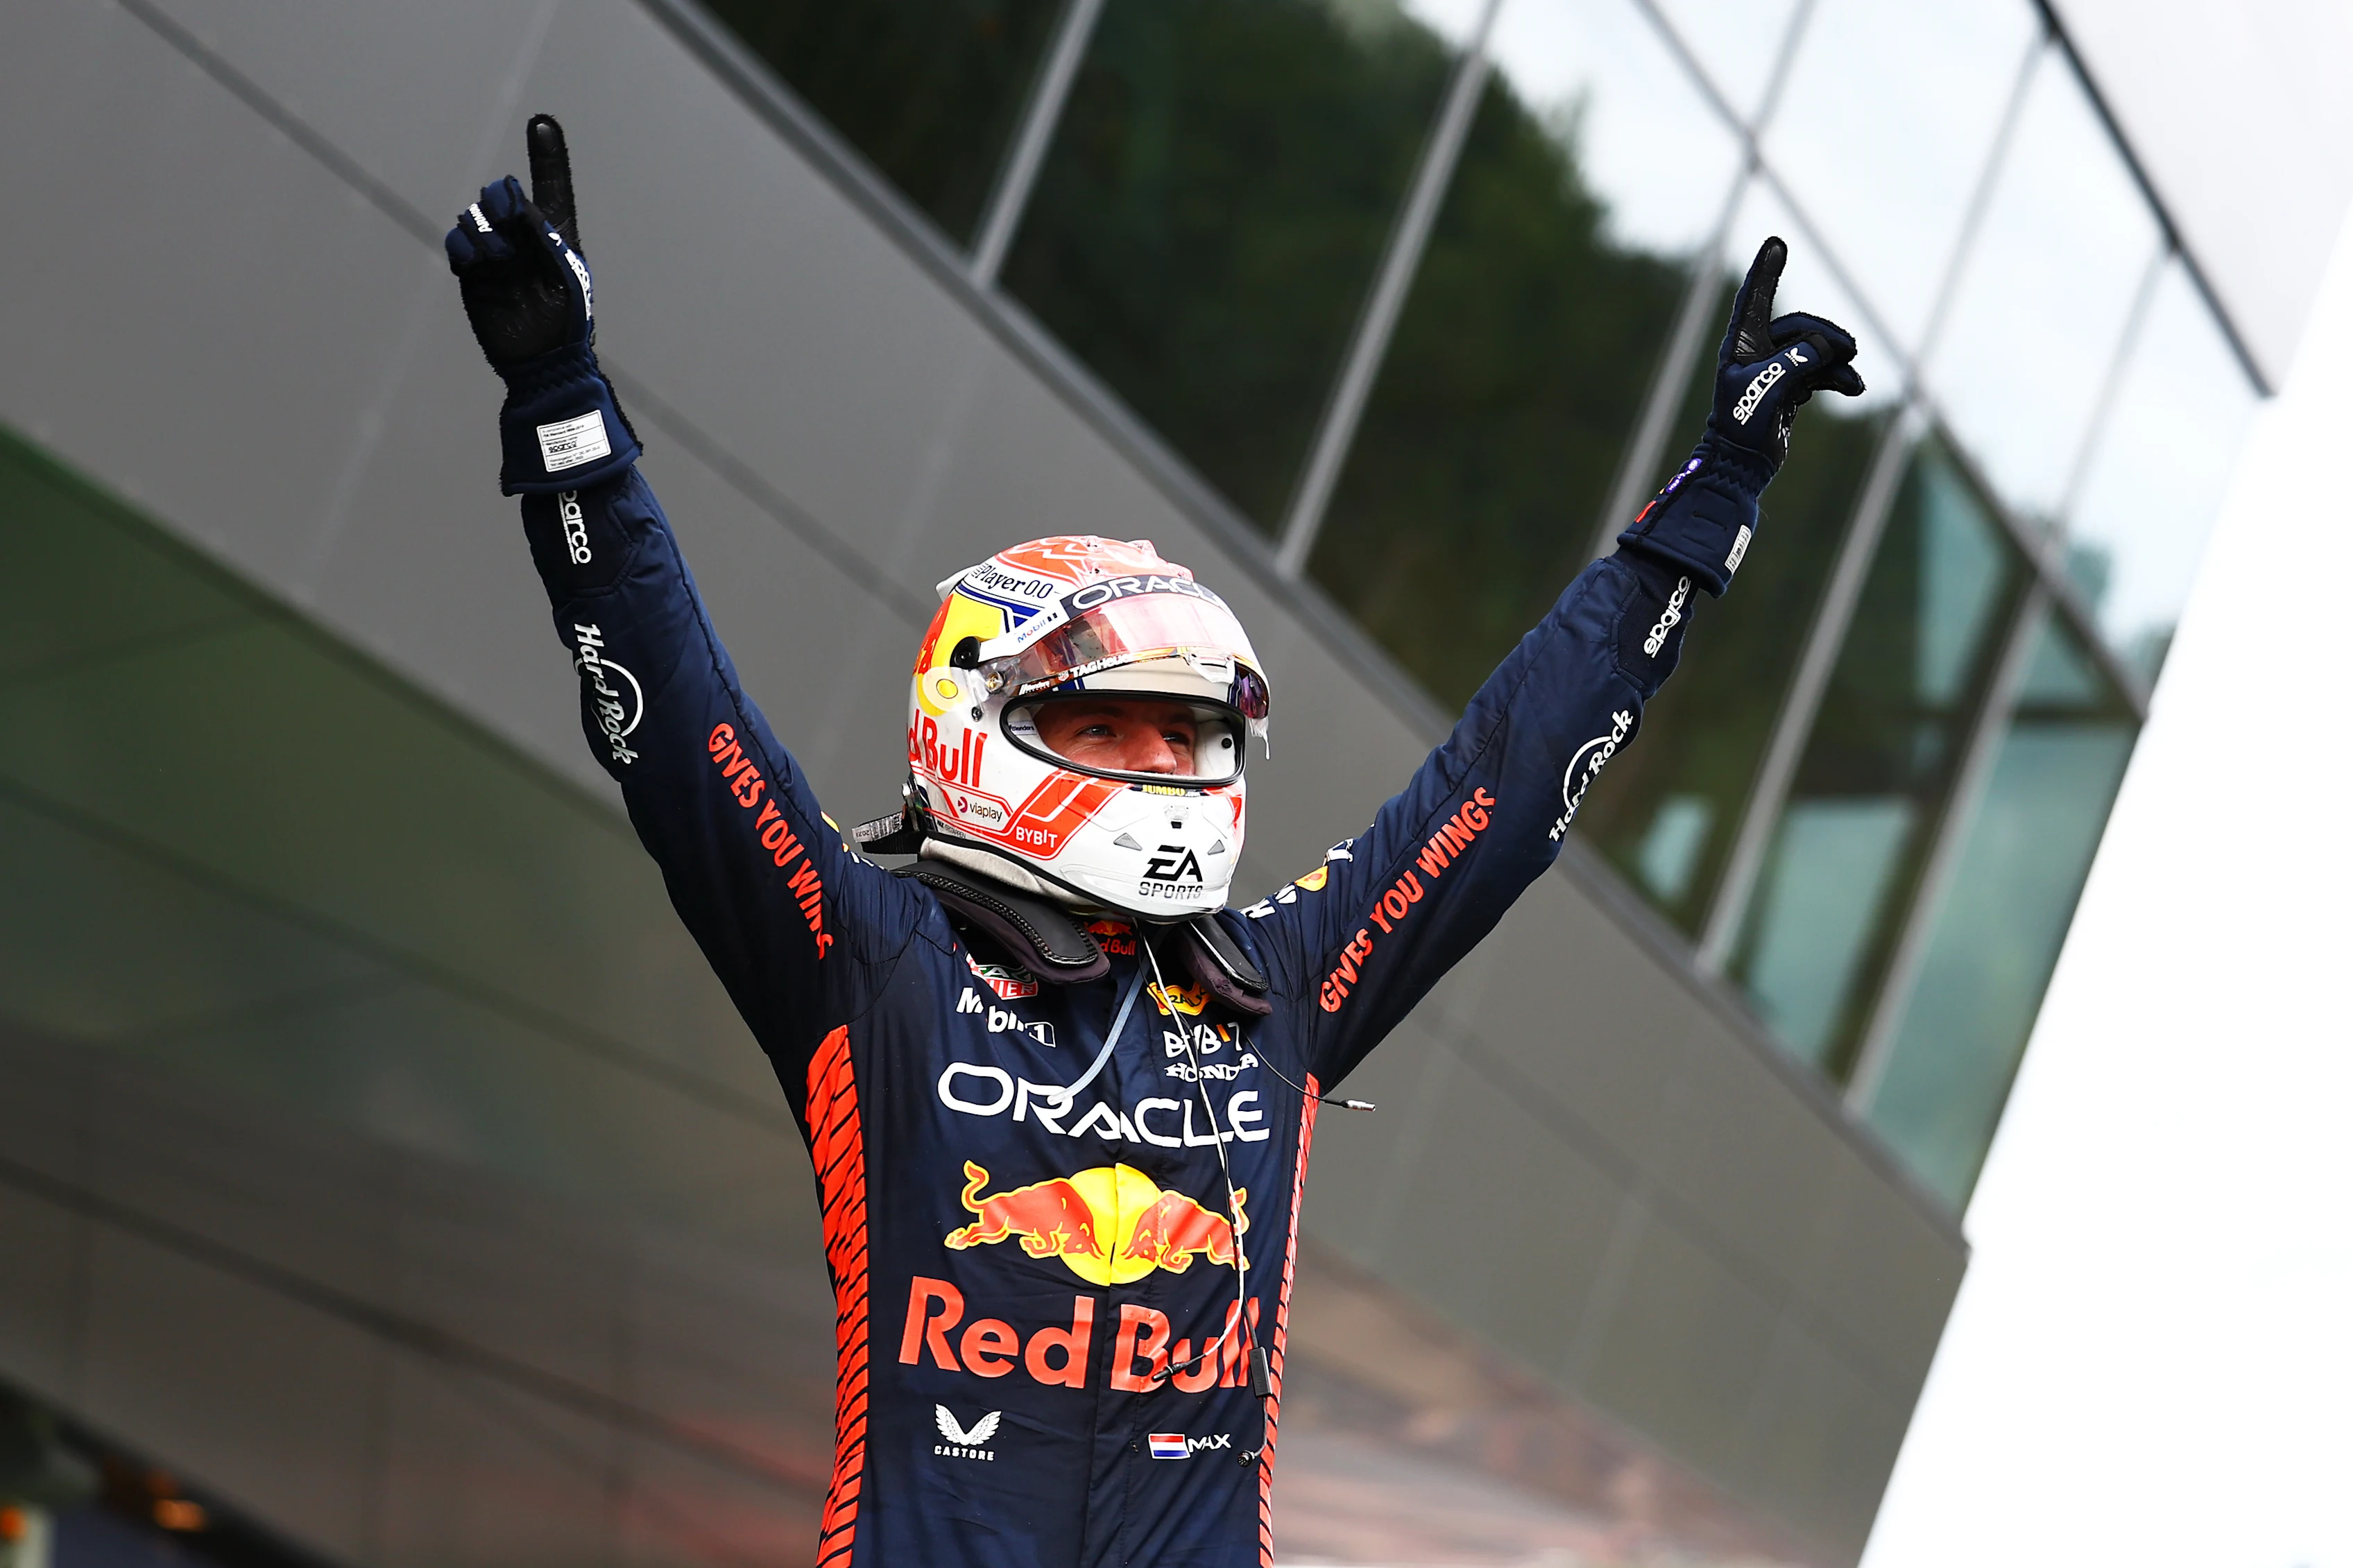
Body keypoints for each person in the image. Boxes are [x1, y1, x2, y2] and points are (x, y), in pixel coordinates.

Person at [445, 116, 1861, 1568]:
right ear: (978, 725)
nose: (1164, 761)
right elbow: (683, 730)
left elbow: (1500, 784)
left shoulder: (1280, 983)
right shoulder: (872, 958)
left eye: (1189, 731)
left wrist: (1717, 494)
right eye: (1115, 722)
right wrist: (564, 410)